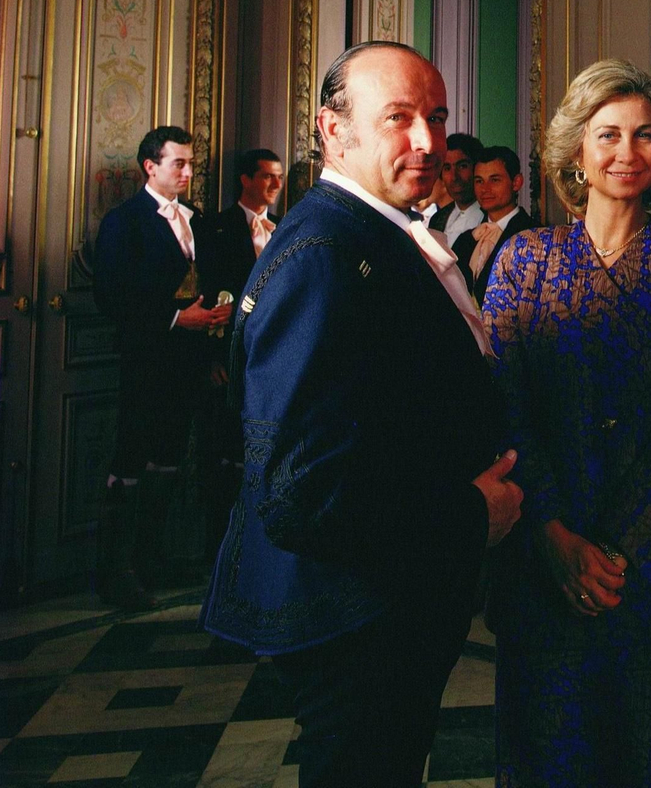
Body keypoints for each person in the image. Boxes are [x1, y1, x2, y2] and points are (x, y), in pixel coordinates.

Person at [199, 41, 523, 788]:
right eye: (399, 118)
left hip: (391, 599)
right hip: (357, 613)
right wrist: (470, 515)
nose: (427, 142)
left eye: (436, 118)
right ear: (333, 131)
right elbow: (300, 492)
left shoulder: (380, 231)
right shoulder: (324, 252)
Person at [483, 59, 651, 787]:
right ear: (576, 154)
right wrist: (556, 538)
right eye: (609, 134)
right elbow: (503, 404)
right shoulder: (525, 257)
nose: (627, 151)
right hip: (541, 573)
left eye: (645, 136)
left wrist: (610, 555)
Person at [92, 125, 232, 610]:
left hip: (191, 364)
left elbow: (208, 283)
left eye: (191, 163)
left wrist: (214, 324)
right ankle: (117, 571)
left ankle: (151, 560)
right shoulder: (124, 222)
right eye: (179, 164)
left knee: (170, 458)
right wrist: (176, 317)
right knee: (132, 456)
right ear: (150, 166)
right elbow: (111, 297)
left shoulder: (199, 220)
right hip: (146, 361)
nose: (189, 172)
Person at [198, 147, 285, 561]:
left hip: (272, 361)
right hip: (228, 359)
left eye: (279, 177)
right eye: (267, 176)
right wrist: (215, 358)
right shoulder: (216, 228)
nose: (275, 185)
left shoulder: (284, 227)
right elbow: (210, 295)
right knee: (224, 451)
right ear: (246, 180)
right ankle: (218, 548)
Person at [452, 144, 536, 303]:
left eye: (495, 180)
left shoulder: (536, 236)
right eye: (479, 181)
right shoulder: (465, 241)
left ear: (516, 182)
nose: (485, 189)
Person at [429, 131, 484, 243]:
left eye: (462, 166)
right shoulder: (437, 219)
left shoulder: (491, 218)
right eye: (447, 168)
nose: (454, 177)